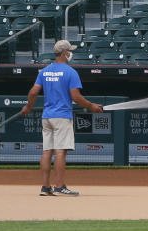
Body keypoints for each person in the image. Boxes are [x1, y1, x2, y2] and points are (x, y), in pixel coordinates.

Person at [20, 39, 102, 196]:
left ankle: (45, 187)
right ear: (65, 53)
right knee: (60, 152)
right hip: (62, 116)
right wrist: (91, 106)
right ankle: (59, 186)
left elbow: (33, 92)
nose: (71, 53)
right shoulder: (70, 72)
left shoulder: (45, 71)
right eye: (70, 51)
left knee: (47, 151)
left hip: (47, 116)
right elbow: (76, 96)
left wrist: (28, 107)